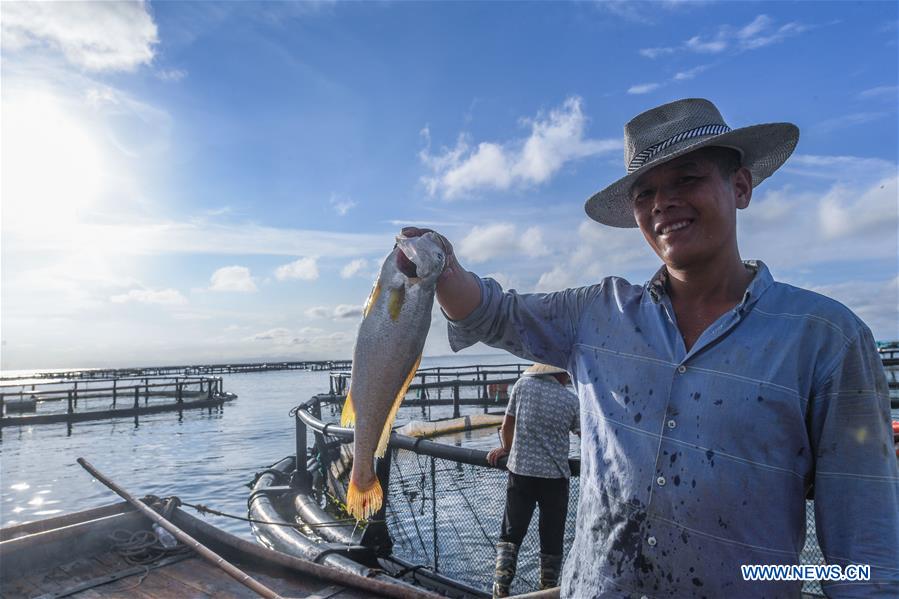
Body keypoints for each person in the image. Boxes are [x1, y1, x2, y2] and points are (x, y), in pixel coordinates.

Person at [404, 98, 899, 597]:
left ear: (741, 186)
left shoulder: (827, 340)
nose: (662, 203)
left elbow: (867, 558)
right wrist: (439, 264)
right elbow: (493, 312)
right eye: (645, 192)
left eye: (687, 178)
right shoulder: (596, 314)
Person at [486, 362, 580, 597]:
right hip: (555, 477)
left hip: (522, 472)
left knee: (511, 534)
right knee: (552, 538)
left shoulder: (522, 385)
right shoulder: (570, 400)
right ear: (560, 373)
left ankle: (500, 589)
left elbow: (507, 424)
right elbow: (585, 434)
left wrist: (507, 448)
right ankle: (547, 590)